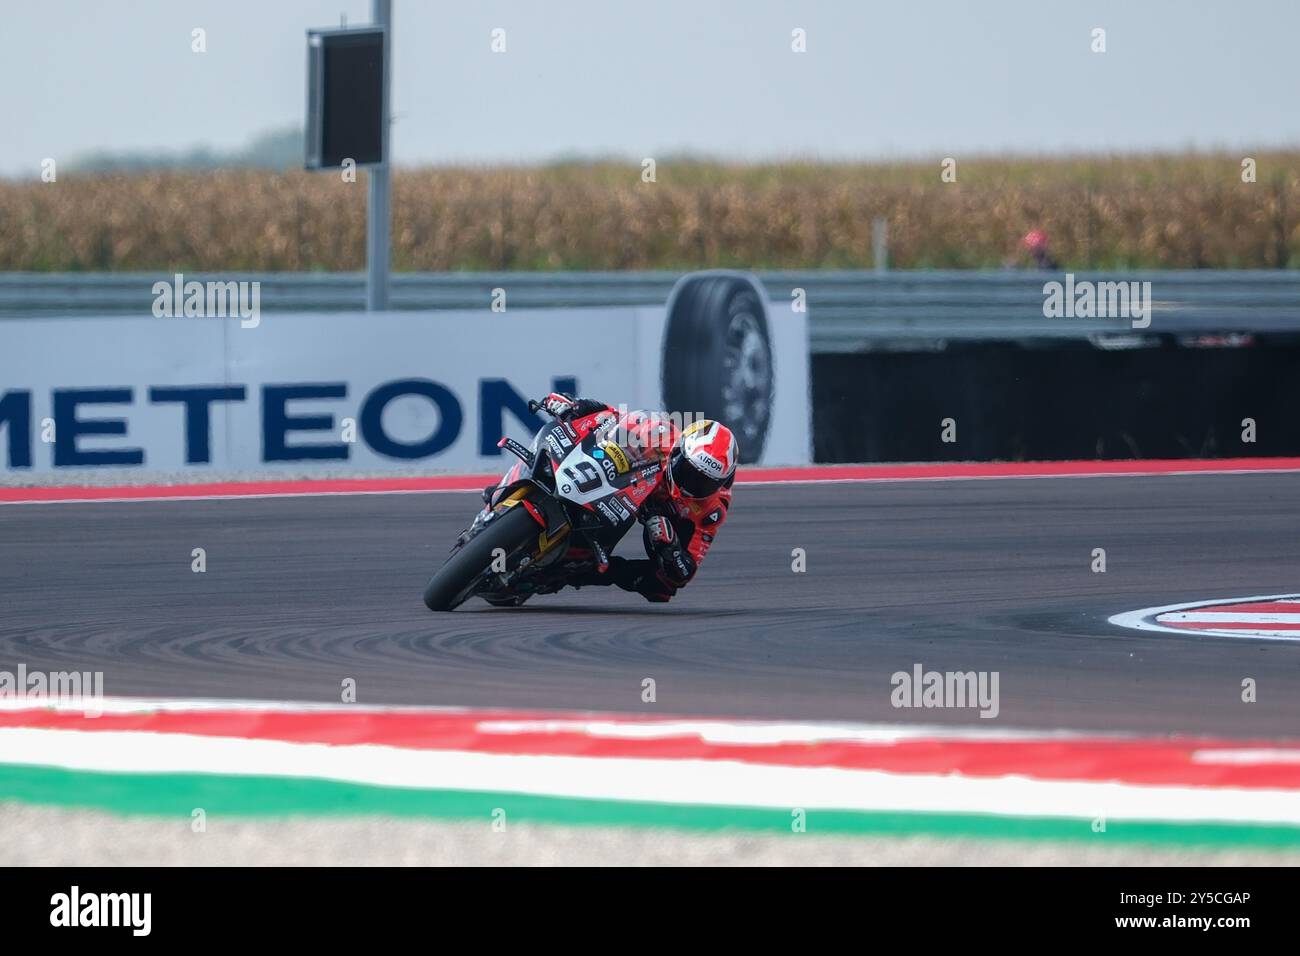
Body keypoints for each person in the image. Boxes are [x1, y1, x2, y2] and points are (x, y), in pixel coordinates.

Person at [537, 392, 737, 602]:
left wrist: (670, 547)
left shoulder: (711, 509)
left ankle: (572, 573)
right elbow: (614, 417)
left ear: (719, 483)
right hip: (624, 484)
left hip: (659, 519)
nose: (690, 485)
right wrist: (575, 406)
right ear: (680, 451)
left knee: (662, 587)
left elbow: (685, 572)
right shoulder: (662, 433)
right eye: (688, 471)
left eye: (704, 483)